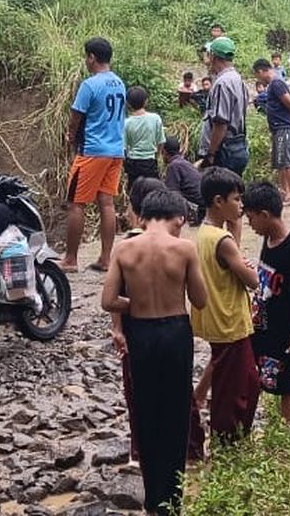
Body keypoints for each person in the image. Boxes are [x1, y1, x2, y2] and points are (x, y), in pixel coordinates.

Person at [102, 189, 207, 514]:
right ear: (178, 217)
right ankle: (172, 500)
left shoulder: (124, 249)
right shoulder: (184, 248)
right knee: (175, 414)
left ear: (143, 217)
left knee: (147, 413)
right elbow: (200, 299)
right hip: (175, 333)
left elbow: (108, 301)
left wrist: (138, 303)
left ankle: (152, 498)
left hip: (141, 334)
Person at [191, 168, 260, 443]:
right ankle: (227, 438)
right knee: (238, 386)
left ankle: (219, 426)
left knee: (232, 377)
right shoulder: (223, 240)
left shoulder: (203, 233)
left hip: (214, 316)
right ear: (218, 201)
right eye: (236, 199)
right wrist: (247, 267)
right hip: (230, 319)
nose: (241, 206)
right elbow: (253, 281)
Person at [242, 183, 290, 426]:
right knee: (256, 373)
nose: (249, 224)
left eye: (251, 218)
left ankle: (287, 428)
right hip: (261, 323)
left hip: (283, 330)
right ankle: (250, 421)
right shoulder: (268, 239)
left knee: (285, 382)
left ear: (265, 215)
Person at [64, 37, 127, 273]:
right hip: (115, 151)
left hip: (92, 150)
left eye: (86, 57)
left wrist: (71, 136)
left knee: (76, 204)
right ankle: (105, 258)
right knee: (106, 203)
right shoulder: (119, 83)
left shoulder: (90, 85)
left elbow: (76, 115)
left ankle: (70, 259)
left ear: (92, 57)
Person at [200, 36, 250, 176]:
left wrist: (210, 154)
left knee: (221, 193)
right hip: (238, 146)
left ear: (213, 56)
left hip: (224, 151)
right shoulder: (238, 79)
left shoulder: (222, 83)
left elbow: (221, 123)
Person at [252, 58, 290, 204]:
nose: (258, 79)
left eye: (257, 75)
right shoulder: (272, 85)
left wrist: (289, 119)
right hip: (278, 128)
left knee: (287, 160)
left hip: (283, 127)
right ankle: (284, 192)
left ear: (261, 71)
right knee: (280, 161)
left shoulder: (277, 83)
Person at [123, 86, 165, 193]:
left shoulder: (126, 123)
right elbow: (161, 142)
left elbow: (124, 148)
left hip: (133, 163)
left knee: (134, 193)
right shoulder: (155, 118)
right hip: (150, 162)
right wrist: (157, 155)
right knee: (152, 192)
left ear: (128, 104)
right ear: (146, 101)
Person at [162, 136, 203, 223]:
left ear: (164, 152)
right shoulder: (184, 162)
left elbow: (172, 192)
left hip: (197, 204)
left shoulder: (173, 166)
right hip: (203, 199)